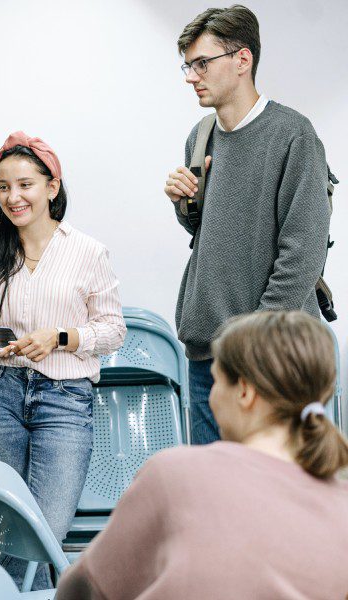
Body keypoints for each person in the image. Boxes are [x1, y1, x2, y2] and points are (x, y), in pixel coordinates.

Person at [55, 311, 348, 600]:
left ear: (244, 392)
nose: (211, 396)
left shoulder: (175, 473)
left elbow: (83, 589)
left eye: (216, 381)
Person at [163, 5, 331, 444]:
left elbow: (303, 254)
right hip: (207, 358)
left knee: (276, 502)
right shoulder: (199, 137)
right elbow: (211, 235)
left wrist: (251, 343)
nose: (190, 76)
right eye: (188, 64)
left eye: (202, 63)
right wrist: (186, 205)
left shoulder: (293, 135)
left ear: (242, 60)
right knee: (211, 502)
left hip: (271, 360)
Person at [0, 131, 126, 590]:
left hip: (65, 399)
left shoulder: (88, 251)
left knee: (43, 531)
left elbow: (113, 330)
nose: (12, 197)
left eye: (24, 185)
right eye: (3, 186)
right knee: (14, 529)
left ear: (52, 187)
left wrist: (60, 337)